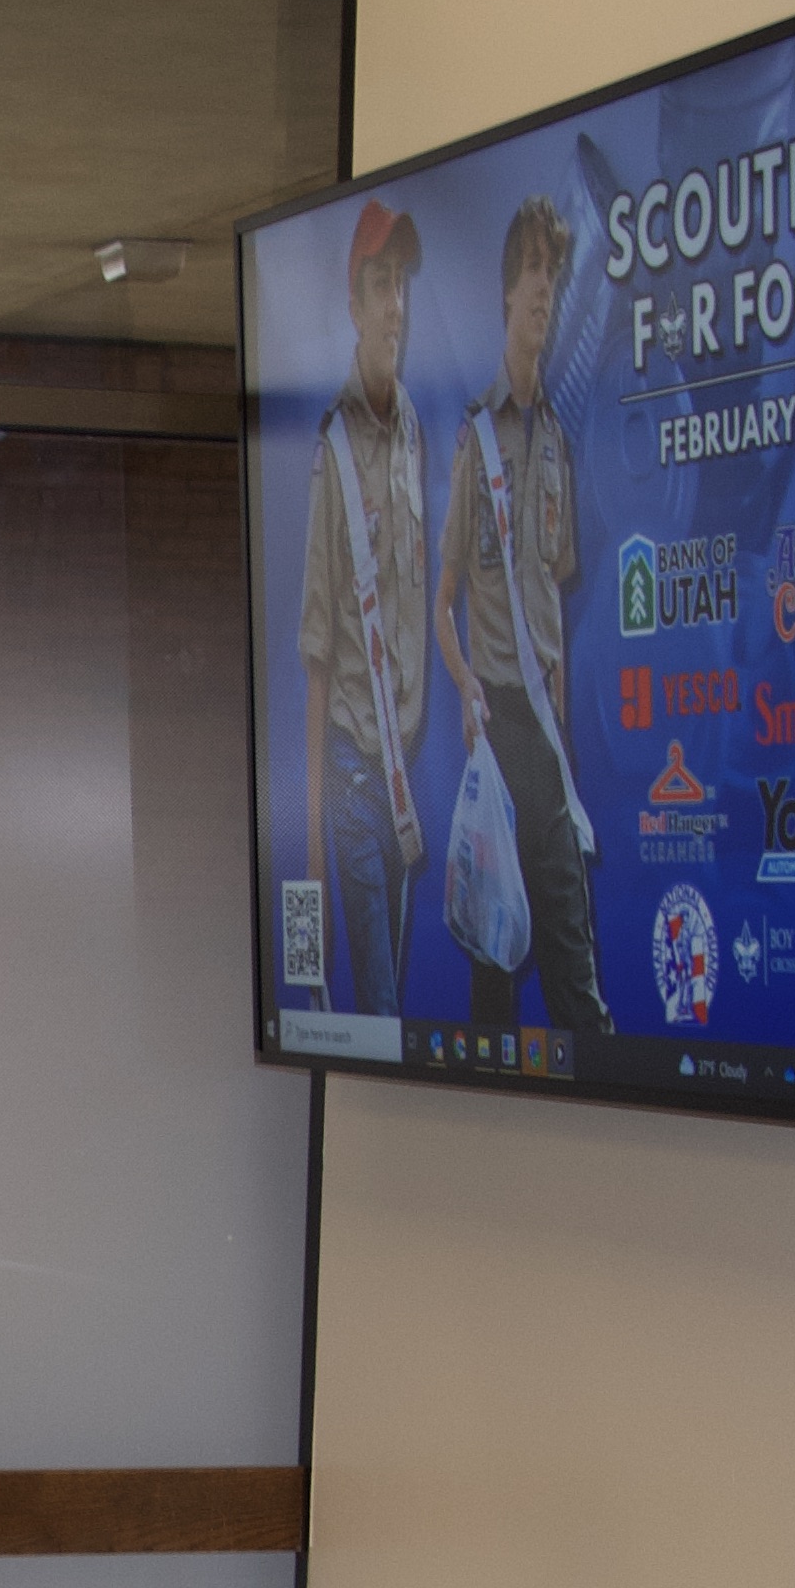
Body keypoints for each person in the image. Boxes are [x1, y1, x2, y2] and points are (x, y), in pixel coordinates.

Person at [435, 191, 607, 1039]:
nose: (545, 290)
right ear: (507, 291)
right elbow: (443, 603)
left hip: (548, 738)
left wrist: (564, 731)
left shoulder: (560, 445)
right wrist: (467, 688)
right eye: (534, 271)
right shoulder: (475, 439)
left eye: (556, 275)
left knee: (577, 984)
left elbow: (557, 595)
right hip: (496, 729)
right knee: (494, 982)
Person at [299, 198, 430, 1017]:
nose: (394, 305)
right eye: (378, 286)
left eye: (401, 285)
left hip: (403, 772)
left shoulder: (415, 426)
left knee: (399, 1021)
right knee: (382, 1014)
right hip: (352, 767)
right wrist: (309, 838)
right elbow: (317, 652)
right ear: (353, 306)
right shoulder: (331, 451)